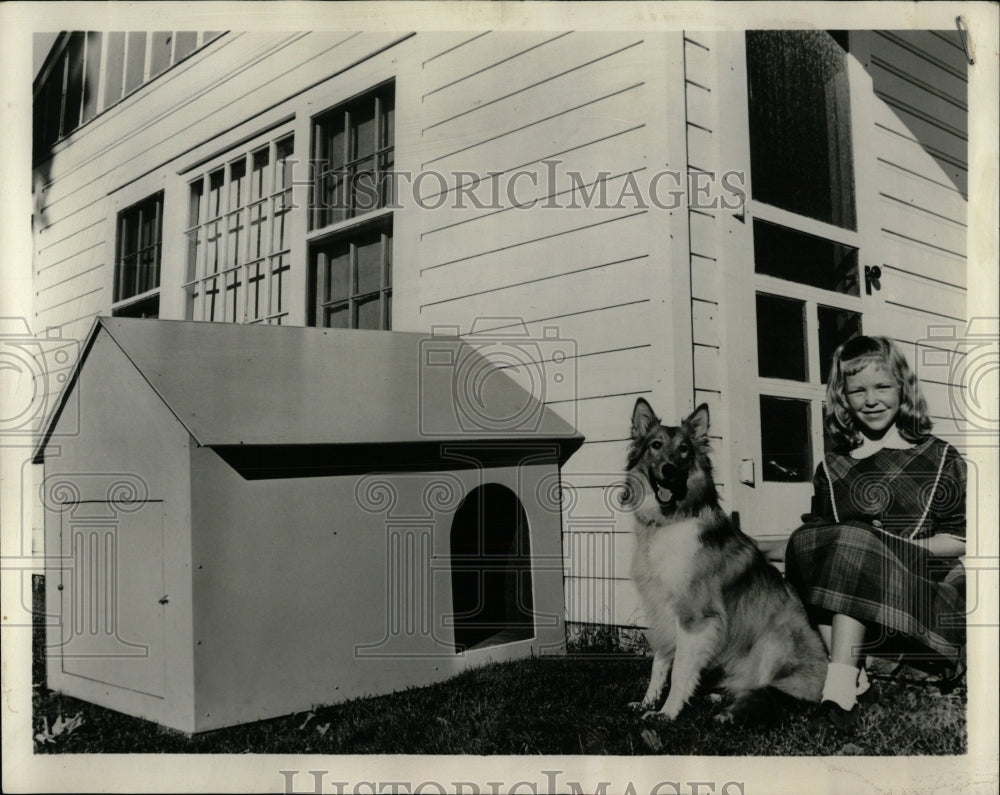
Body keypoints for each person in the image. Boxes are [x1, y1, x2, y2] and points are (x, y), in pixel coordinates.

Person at [784, 335, 966, 733]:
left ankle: (838, 693)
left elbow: (959, 540)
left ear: (903, 388)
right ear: (842, 398)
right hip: (851, 601)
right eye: (857, 391)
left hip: (921, 590)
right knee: (805, 538)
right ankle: (853, 677)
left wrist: (890, 546)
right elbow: (818, 550)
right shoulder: (833, 468)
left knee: (854, 539)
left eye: (882, 386)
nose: (871, 400)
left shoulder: (940, 458)